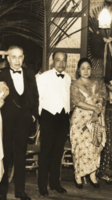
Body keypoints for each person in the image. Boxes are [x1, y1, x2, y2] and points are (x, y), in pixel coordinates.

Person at [0, 46, 39, 200]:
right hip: (6, 122)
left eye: (20, 57)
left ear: (23, 58)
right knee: (5, 157)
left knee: (20, 156)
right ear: (8, 59)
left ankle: (20, 191)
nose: (17, 60)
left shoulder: (29, 73)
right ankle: (2, 192)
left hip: (24, 121)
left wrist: (34, 115)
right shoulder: (1, 74)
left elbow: (35, 95)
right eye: (13, 57)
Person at [36, 51, 71, 196]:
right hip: (48, 116)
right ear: (53, 61)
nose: (61, 63)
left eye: (63, 60)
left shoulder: (68, 78)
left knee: (58, 152)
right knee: (46, 152)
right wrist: (42, 119)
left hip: (63, 118)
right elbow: (38, 98)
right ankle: (42, 185)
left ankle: (55, 183)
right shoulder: (43, 77)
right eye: (58, 60)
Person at [70, 58, 106, 189]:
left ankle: (92, 175)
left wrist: (100, 105)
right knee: (80, 147)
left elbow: (102, 96)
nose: (86, 71)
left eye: (88, 68)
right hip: (80, 120)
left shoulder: (97, 83)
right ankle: (78, 176)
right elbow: (77, 101)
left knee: (94, 147)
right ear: (78, 70)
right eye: (83, 68)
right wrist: (93, 108)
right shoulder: (74, 84)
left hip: (95, 118)